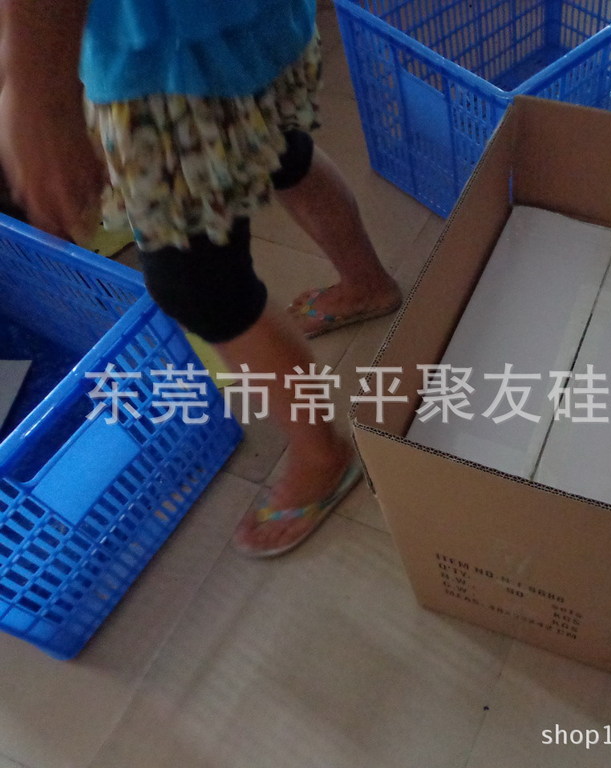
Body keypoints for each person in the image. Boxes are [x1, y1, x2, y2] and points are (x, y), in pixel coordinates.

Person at [0, 0, 401, 556]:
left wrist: (39, 98)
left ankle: (322, 455)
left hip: (166, 63)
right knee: (279, 150)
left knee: (196, 283)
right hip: (250, 26)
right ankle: (366, 284)